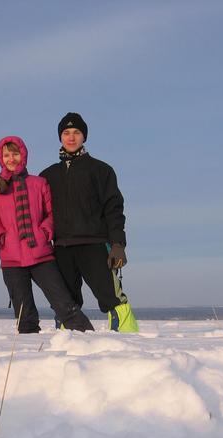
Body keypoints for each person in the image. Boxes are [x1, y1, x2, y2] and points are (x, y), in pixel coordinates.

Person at [39, 113, 138, 332]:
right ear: (60, 137)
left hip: (94, 245)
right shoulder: (47, 175)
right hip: (62, 247)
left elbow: (114, 210)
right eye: (66, 133)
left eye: (76, 133)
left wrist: (118, 244)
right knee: (65, 302)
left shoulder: (101, 170)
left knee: (111, 296)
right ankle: (68, 349)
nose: (71, 137)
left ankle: (130, 343)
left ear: (84, 136)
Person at [0, 136, 94, 333]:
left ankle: (85, 338)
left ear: (23, 155)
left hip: (41, 254)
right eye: (6, 155)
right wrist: (1, 238)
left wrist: (44, 232)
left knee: (63, 303)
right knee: (23, 312)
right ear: (1, 158)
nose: (11, 159)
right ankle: (29, 352)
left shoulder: (39, 183)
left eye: (15, 154)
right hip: (11, 258)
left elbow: (51, 214)